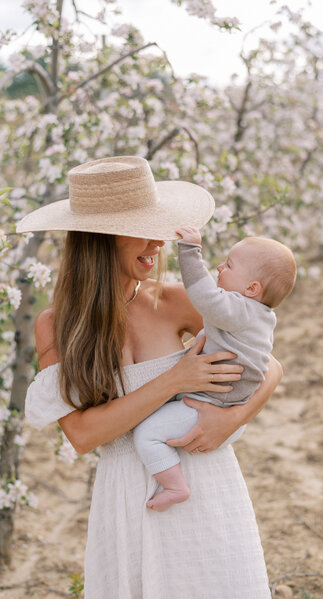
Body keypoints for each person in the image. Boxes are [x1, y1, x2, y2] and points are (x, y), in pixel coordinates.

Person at [18, 156, 283, 599]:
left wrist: (233, 419)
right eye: (143, 228)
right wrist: (174, 380)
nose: (158, 243)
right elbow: (82, 436)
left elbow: (269, 365)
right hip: (127, 496)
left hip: (203, 479)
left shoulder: (176, 301)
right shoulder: (56, 325)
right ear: (100, 240)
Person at [134, 225, 296, 511]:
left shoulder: (240, 309)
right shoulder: (258, 315)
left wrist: (190, 250)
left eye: (229, 265)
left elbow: (204, 295)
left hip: (211, 405)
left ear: (252, 288)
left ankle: (174, 486)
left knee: (146, 434)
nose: (220, 267)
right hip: (225, 407)